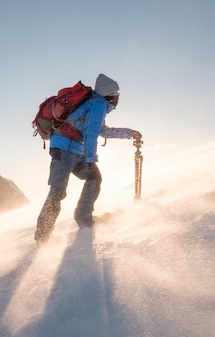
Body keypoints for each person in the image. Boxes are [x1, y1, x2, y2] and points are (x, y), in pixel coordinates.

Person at [34, 73, 141, 246]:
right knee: (58, 191)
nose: (116, 98)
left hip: (71, 149)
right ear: (111, 95)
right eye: (116, 95)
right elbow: (91, 133)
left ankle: (82, 217)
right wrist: (91, 158)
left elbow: (102, 130)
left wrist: (130, 133)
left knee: (92, 179)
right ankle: (43, 236)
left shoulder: (94, 104)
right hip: (65, 149)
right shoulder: (98, 104)